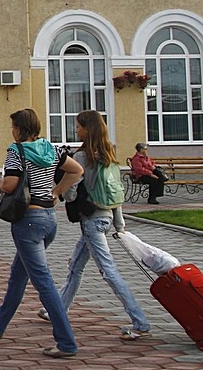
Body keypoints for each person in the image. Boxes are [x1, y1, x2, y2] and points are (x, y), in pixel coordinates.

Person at [38, 110, 153, 341]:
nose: (76, 130)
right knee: (75, 266)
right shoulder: (107, 153)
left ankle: (139, 321)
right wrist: (120, 225)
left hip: (92, 221)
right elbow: (115, 192)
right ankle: (58, 310)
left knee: (108, 271)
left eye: (79, 126)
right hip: (106, 218)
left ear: (87, 129)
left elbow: (71, 191)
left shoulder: (82, 157)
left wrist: (62, 193)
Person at [0, 108, 84, 358]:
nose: (11, 131)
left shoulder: (17, 151)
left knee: (43, 282)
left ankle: (66, 343)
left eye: (13, 126)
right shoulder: (52, 148)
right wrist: (56, 191)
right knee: (18, 275)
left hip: (28, 220)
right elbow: (76, 170)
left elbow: (11, 184)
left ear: (19, 128)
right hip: (49, 219)